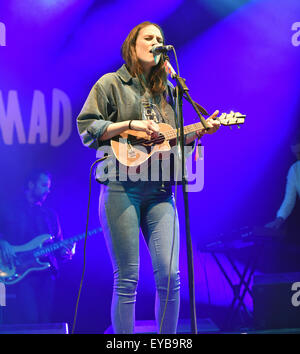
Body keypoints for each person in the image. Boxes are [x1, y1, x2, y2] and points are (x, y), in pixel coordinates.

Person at [77, 21, 220, 334]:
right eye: (149, 38)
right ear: (133, 45)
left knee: (170, 276)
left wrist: (198, 132)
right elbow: (88, 129)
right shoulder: (110, 84)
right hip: (121, 188)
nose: (156, 42)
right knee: (127, 276)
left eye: (160, 39)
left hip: (160, 190)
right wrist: (129, 124)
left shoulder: (168, 90)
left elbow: (170, 139)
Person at [0, 170, 74, 324]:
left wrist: (66, 251)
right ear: (31, 184)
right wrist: (2, 242)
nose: (48, 190)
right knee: (30, 319)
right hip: (20, 273)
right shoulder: (7, 209)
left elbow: (58, 246)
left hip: (47, 272)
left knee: (45, 320)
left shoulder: (50, 215)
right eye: (44, 185)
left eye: (49, 186)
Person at [266, 139, 300, 229]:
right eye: (295, 153)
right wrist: (280, 219)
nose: (298, 157)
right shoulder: (294, 170)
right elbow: (289, 200)